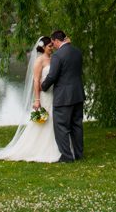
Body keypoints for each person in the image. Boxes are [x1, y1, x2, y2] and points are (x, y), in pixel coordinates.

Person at [0, 36, 62, 163]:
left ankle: (56, 146)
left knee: (54, 120)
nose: (52, 48)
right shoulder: (39, 61)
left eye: (52, 46)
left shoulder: (53, 59)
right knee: (43, 121)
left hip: (54, 94)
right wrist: (37, 100)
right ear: (43, 47)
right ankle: (39, 148)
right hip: (44, 96)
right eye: (50, 46)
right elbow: (36, 81)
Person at [40, 30, 84, 162]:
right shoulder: (77, 52)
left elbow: (52, 76)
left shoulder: (58, 55)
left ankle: (66, 156)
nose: (53, 46)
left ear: (57, 40)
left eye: (53, 43)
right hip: (78, 94)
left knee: (61, 126)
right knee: (77, 125)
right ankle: (79, 154)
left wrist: (43, 86)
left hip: (63, 97)